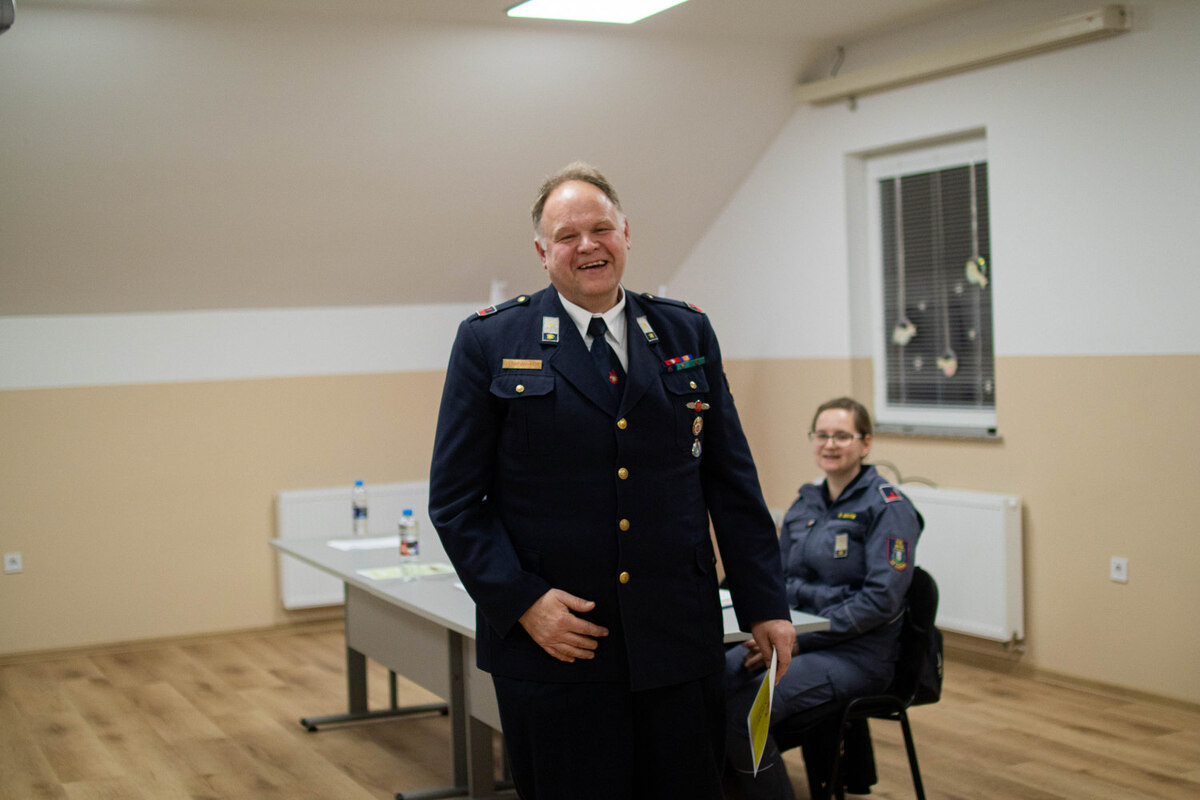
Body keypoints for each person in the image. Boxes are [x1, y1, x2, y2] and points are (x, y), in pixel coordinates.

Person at [428, 162, 796, 800]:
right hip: (559, 645)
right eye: (567, 236)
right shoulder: (491, 340)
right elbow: (457, 501)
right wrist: (522, 601)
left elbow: (730, 478)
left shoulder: (685, 330)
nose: (588, 246)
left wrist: (765, 603)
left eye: (601, 229)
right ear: (542, 252)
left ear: (626, 233)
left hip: (677, 640)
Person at [723, 397, 924, 799]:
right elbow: (775, 578)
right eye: (822, 435)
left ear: (865, 443)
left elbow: (880, 602)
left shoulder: (888, 508)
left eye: (842, 436)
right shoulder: (806, 503)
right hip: (792, 641)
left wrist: (798, 639)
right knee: (710, 681)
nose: (830, 444)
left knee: (744, 713)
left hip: (857, 654)